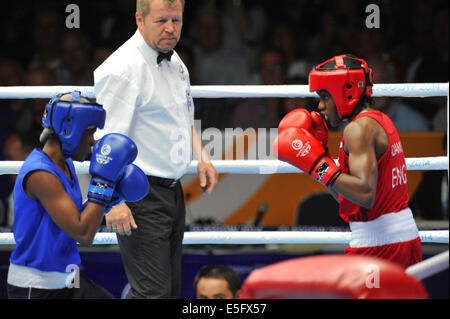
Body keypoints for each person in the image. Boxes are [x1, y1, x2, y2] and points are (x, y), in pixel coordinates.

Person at [93, 0, 218, 299]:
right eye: (162, 20)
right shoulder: (123, 69)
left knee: (168, 291)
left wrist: (202, 156)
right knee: (154, 293)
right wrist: (112, 203)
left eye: (176, 20)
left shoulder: (175, 62)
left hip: (172, 192)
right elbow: (104, 141)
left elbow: (183, 117)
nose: (170, 28)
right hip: (137, 195)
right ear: (139, 19)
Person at [273, 54, 422, 268]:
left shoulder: (358, 129)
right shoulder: (378, 119)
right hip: (392, 238)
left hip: (381, 244)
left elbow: (364, 194)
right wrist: (320, 161)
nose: (321, 107)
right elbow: (350, 198)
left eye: (325, 97)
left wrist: (318, 166)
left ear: (346, 93)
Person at [7, 91, 148, 299]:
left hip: (66, 280)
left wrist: (112, 198)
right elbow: (83, 233)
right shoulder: (41, 174)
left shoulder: (66, 164)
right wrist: (104, 183)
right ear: (69, 130)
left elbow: (76, 218)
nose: (93, 141)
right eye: (89, 132)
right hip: (37, 286)